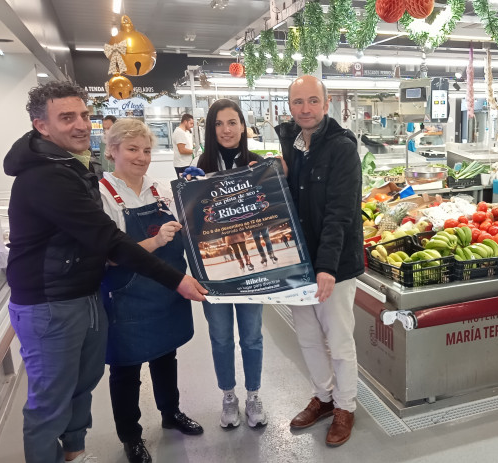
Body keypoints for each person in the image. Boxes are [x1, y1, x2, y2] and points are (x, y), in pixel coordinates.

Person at [3, 81, 206, 463]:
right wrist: (175, 276)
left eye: (83, 115)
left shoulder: (75, 168)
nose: (80, 124)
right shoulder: (49, 177)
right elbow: (110, 243)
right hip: (55, 302)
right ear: (41, 126)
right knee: (55, 398)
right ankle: (129, 435)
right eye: (67, 117)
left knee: (82, 386)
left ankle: (76, 452)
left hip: (86, 294)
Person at [99, 119, 203, 463]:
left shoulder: (159, 190)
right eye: (132, 149)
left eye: (146, 150)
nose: (141, 157)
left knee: (165, 354)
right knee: (125, 369)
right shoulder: (102, 195)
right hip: (127, 295)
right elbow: (110, 257)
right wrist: (157, 240)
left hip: (164, 291)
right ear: (112, 150)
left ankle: (170, 413)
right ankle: (131, 436)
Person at [275, 75, 364, 447]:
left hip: (335, 266)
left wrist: (326, 266)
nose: (306, 109)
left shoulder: (341, 149)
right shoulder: (289, 145)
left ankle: (346, 406)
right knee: (309, 339)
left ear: (326, 105)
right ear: (290, 106)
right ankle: (324, 398)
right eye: (298, 102)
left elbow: (340, 213)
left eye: (313, 101)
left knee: (339, 340)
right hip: (299, 264)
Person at [195, 99, 268, 429]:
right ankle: (228, 396)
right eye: (219, 124)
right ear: (211, 130)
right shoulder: (200, 166)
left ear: (243, 126)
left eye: (233, 122)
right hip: (215, 270)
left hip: (252, 266)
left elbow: (273, 211)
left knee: (251, 336)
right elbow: (194, 221)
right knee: (221, 337)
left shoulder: (258, 163)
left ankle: (253, 395)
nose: (227, 129)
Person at [172, 113, 194, 177]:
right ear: (185, 122)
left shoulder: (185, 132)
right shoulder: (179, 132)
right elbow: (182, 150)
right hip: (182, 165)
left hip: (186, 164)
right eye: (191, 123)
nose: (192, 126)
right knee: (185, 185)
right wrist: (195, 152)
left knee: (190, 184)